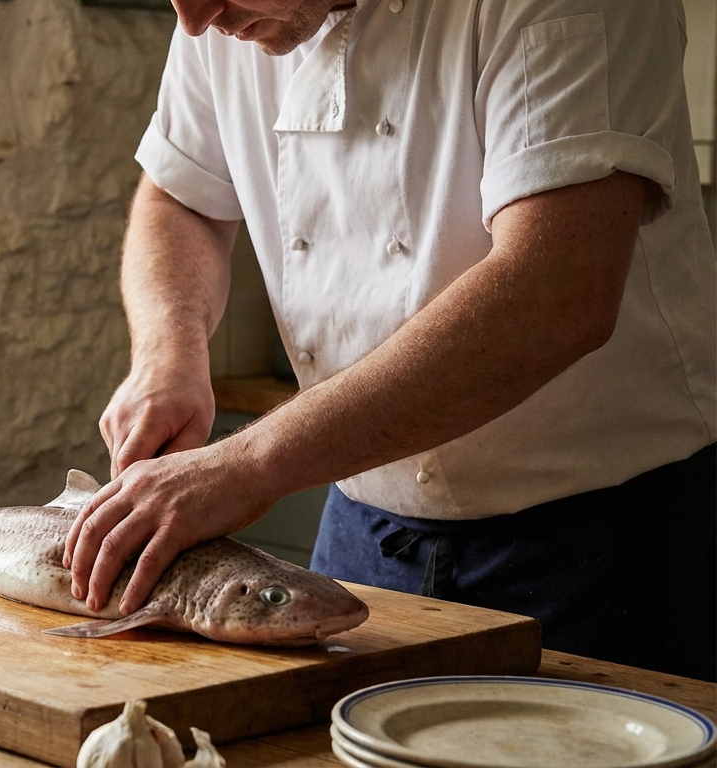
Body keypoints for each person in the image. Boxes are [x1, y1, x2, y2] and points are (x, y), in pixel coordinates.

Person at [64, 0, 716, 681]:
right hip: (363, 532)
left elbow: (557, 290)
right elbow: (183, 196)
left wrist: (248, 464)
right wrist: (168, 352)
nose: (194, 20)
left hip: (606, 547)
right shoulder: (220, 14)